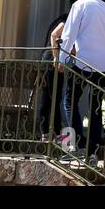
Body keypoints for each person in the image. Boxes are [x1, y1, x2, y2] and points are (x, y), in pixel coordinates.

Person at [58, 0, 105, 156]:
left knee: (69, 101)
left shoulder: (80, 5)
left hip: (83, 62)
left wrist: (61, 59)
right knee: (96, 107)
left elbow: (69, 34)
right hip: (104, 65)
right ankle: (91, 152)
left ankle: (74, 146)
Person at [35, 11, 67, 140]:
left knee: (47, 96)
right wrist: (56, 58)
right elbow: (54, 35)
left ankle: (45, 131)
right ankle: (57, 131)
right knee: (54, 95)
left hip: (45, 59)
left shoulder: (58, 19)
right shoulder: (65, 21)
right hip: (51, 61)